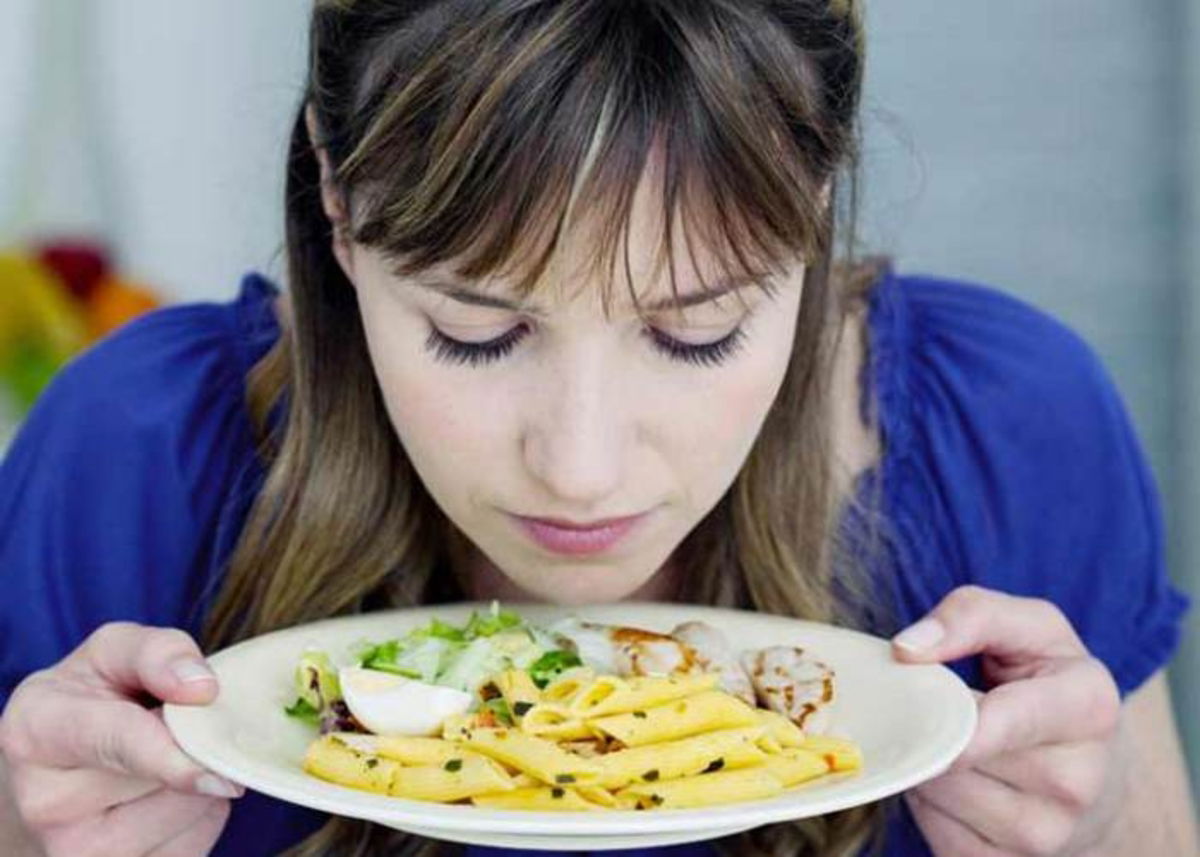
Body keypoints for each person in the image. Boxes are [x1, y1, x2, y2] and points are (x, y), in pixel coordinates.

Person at [0, 1, 1196, 855]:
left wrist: (1100, 837)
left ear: (818, 194)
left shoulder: (1013, 432)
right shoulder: (131, 458)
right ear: (336, 196)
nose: (580, 469)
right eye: (474, 331)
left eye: (697, 333)